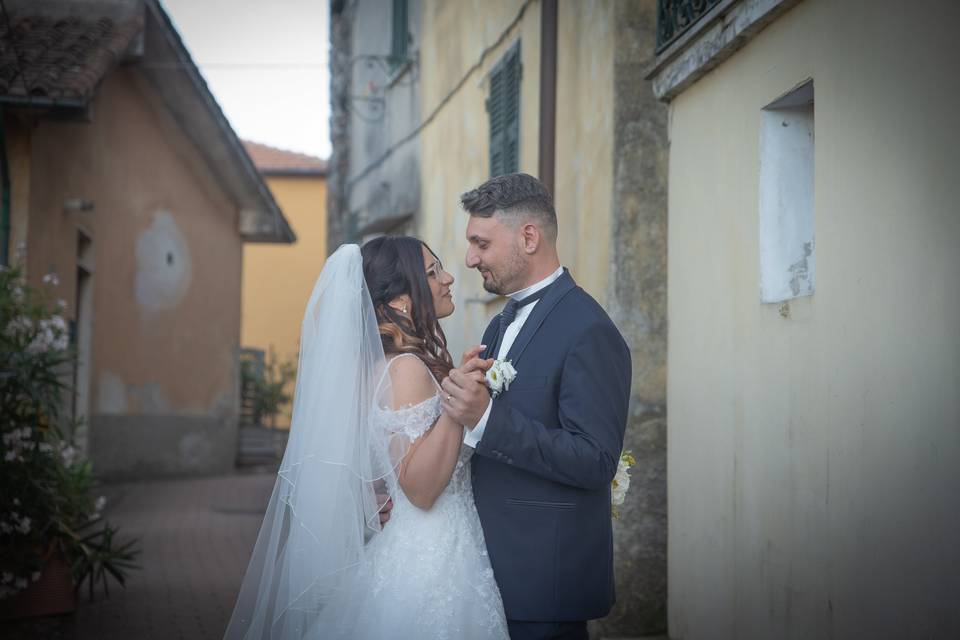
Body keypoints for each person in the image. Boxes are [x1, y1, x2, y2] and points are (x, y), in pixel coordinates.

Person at [224, 237, 508, 639]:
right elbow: (420, 490)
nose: (447, 278)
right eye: (431, 272)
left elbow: (390, 467)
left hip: (434, 539)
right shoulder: (406, 368)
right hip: (434, 553)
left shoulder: (390, 364)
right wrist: (457, 405)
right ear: (399, 302)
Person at [441, 173, 632, 640]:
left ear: (528, 237)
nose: (469, 259)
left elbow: (594, 460)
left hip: (543, 582)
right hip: (491, 571)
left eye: (480, 243)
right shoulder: (499, 322)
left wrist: (485, 418)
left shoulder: (588, 330)